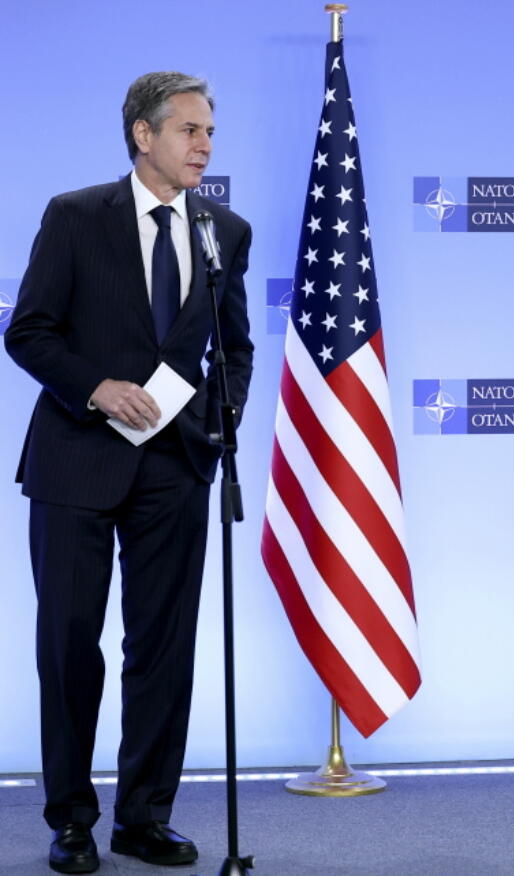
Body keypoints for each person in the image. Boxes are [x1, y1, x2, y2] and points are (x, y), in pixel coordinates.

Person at [6, 72, 254, 874]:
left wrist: (218, 425)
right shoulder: (76, 216)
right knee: (71, 644)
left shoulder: (226, 229)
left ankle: (143, 817)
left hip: (176, 468)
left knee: (164, 648)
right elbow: (29, 332)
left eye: (210, 131)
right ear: (143, 136)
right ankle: (72, 820)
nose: (205, 145)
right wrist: (94, 386)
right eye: (189, 130)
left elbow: (236, 347)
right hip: (78, 460)